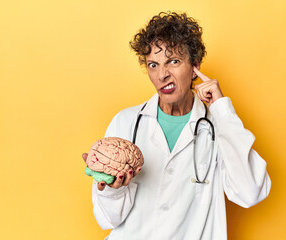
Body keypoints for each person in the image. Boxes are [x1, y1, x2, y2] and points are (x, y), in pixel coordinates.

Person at [82, 11, 271, 240]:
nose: (162, 74)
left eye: (174, 61)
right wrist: (113, 190)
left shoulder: (218, 127)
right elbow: (107, 219)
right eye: (153, 64)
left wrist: (222, 111)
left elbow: (250, 192)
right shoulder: (126, 122)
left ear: (195, 67)